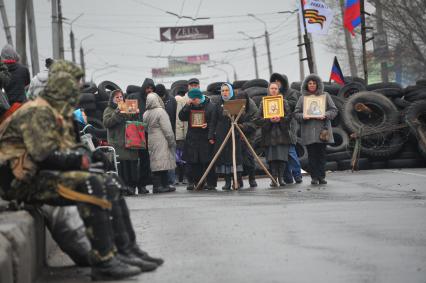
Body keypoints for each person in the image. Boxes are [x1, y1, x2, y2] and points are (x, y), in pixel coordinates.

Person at [0, 60, 163, 281]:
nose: (75, 91)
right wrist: (79, 162)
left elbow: (69, 149)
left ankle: (126, 251)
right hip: (19, 181)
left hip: (39, 173)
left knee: (111, 183)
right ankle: (104, 261)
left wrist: (90, 156)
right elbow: (44, 156)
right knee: (90, 184)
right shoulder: (38, 111)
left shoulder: (58, 113)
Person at [294, 74, 338, 185]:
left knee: (321, 155)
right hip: (308, 132)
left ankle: (321, 177)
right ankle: (314, 177)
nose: (312, 85)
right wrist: (304, 116)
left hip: (322, 132)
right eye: (310, 83)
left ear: (317, 84)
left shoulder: (325, 96)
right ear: (306, 85)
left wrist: (325, 115)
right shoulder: (302, 98)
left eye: (314, 83)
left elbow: (334, 110)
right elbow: (296, 113)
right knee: (312, 156)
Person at [103, 90, 141, 195]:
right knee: (122, 165)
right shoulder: (108, 109)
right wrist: (117, 112)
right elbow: (107, 123)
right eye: (117, 97)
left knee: (132, 165)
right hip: (117, 142)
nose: (120, 99)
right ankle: (123, 187)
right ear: (112, 99)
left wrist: (136, 114)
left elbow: (132, 122)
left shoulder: (127, 107)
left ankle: (132, 187)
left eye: (121, 97)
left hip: (130, 140)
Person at [178, 88, 217, 190]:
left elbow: (214, 122)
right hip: (193, 137)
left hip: (205, 137)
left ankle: (211, 183)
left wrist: (207, 125)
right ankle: (197, 182)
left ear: (198, 98)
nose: (193, 102)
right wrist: (186, 106)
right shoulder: (190, 106)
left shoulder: (211, 106)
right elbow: (181, 117)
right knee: (194, 161)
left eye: (194, 100)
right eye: (191, 100)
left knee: (208, 161)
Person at [256, 82, 292, 187]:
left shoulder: (284, 102)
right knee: (271, 159)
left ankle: (281, 178)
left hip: (282, 134)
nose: (274, 90)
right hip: (269, 135)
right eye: (272, 88)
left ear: (278, 90)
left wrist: (280, 119)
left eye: (275, 88)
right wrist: (269, 120)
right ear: (268, 89)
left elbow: (289, 116)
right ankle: (273, 179)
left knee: (282, 158)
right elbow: (257, 119)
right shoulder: (263, 103)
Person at [270, 73, 303, 184]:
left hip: (288, 126)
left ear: (283, 82)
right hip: (276, 129)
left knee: (291, 153)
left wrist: (281, 101)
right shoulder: (271, 94)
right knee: (281, 155)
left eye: (279, 81)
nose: (277, 83)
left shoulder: (291, 93)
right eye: (275, 81)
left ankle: (297, 175)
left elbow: (294, 105)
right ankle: (287, 177)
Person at [142, 92, 176, 194]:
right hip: (162, 139)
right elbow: (167, 129)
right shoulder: (161, 112)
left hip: (151, 139)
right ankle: (159, 187)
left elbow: (145, 128)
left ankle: (163, 185)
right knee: (163, 162)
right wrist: (171, 141)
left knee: (156, 163)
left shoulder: (145, 113)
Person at [126, 78, 155, 194]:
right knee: (133, 161)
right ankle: (132, 185)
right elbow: (127, 114)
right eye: (148, 88)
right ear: (144, 87)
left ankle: (142, 185)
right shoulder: (133, 97)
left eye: (152, 88)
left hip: (147, 133)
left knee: (145, 161)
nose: (149, 90)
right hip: (134, 132)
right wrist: (135, 112)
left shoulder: (152, 99)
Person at [213, 83, 244, 190]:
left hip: (235, 134)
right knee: (225, 159)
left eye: (226, 90)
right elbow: (214, 121)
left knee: (235, 158)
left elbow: (242, 118)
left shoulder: (237, 102)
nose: (224, 93)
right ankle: (227, 182)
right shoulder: (217, 104)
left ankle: (237, 181)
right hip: (222, 135)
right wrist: (211, 136)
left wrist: (241, 129)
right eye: (222, 91)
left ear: (230, 91)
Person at [175, 78, 197, 185]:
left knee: (199, 157)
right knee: (187, 159)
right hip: (187, 135)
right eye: (191, 85)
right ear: (188, 87)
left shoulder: (204, 98)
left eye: (195, 85)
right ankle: (189, 179)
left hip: (200, 134)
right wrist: (179, 138)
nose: (193, 87)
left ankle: (200, 179)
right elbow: (179, 120)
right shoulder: (182, 100)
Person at [235, 89, 259, 188]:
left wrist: (243, 126)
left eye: (243, 100)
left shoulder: (252, 107)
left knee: (249, 156)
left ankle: (252, 178)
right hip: (236, 135)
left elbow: (255, 122)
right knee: (238, 158)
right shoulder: (234, 105)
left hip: (249, 135)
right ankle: (239, 180)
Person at [156, 84, 177, 188]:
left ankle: (171, 182)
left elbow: (175, 118)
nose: (161, 98)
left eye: (162, 96)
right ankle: (163, 183)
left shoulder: (172, 100)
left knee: (171, 158)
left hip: (170, 133)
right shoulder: (154, 101)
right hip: (158, 136)